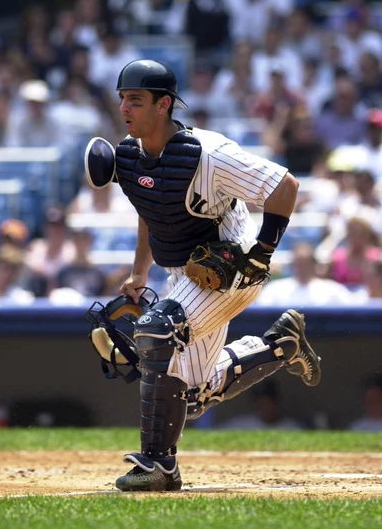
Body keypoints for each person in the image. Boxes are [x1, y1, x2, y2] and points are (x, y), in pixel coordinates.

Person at [84, 59, 321, 492]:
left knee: (157, 331)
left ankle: (159, 466)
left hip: (232, 267)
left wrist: (263, 252)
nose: (125, 108)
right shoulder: (130, 156)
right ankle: (281, 345)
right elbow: (148, 209)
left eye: (135, 100)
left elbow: (285, 188)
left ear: (164, 104)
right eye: (122, 99)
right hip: (186, 274)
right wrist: (140, 273)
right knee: (189, 398)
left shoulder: (207, 153)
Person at [256, 242, 353, 307]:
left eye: (306, 262)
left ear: (314, 264)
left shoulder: (333, 290)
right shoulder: (275, 289)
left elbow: (350, 311)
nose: (302, 267)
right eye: (299, 262)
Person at [217, 379, 304, 430]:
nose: (263, 408)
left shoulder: (290, 427)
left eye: (266, 403)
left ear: (276, 402)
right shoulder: (242, 425)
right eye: (259, 404)